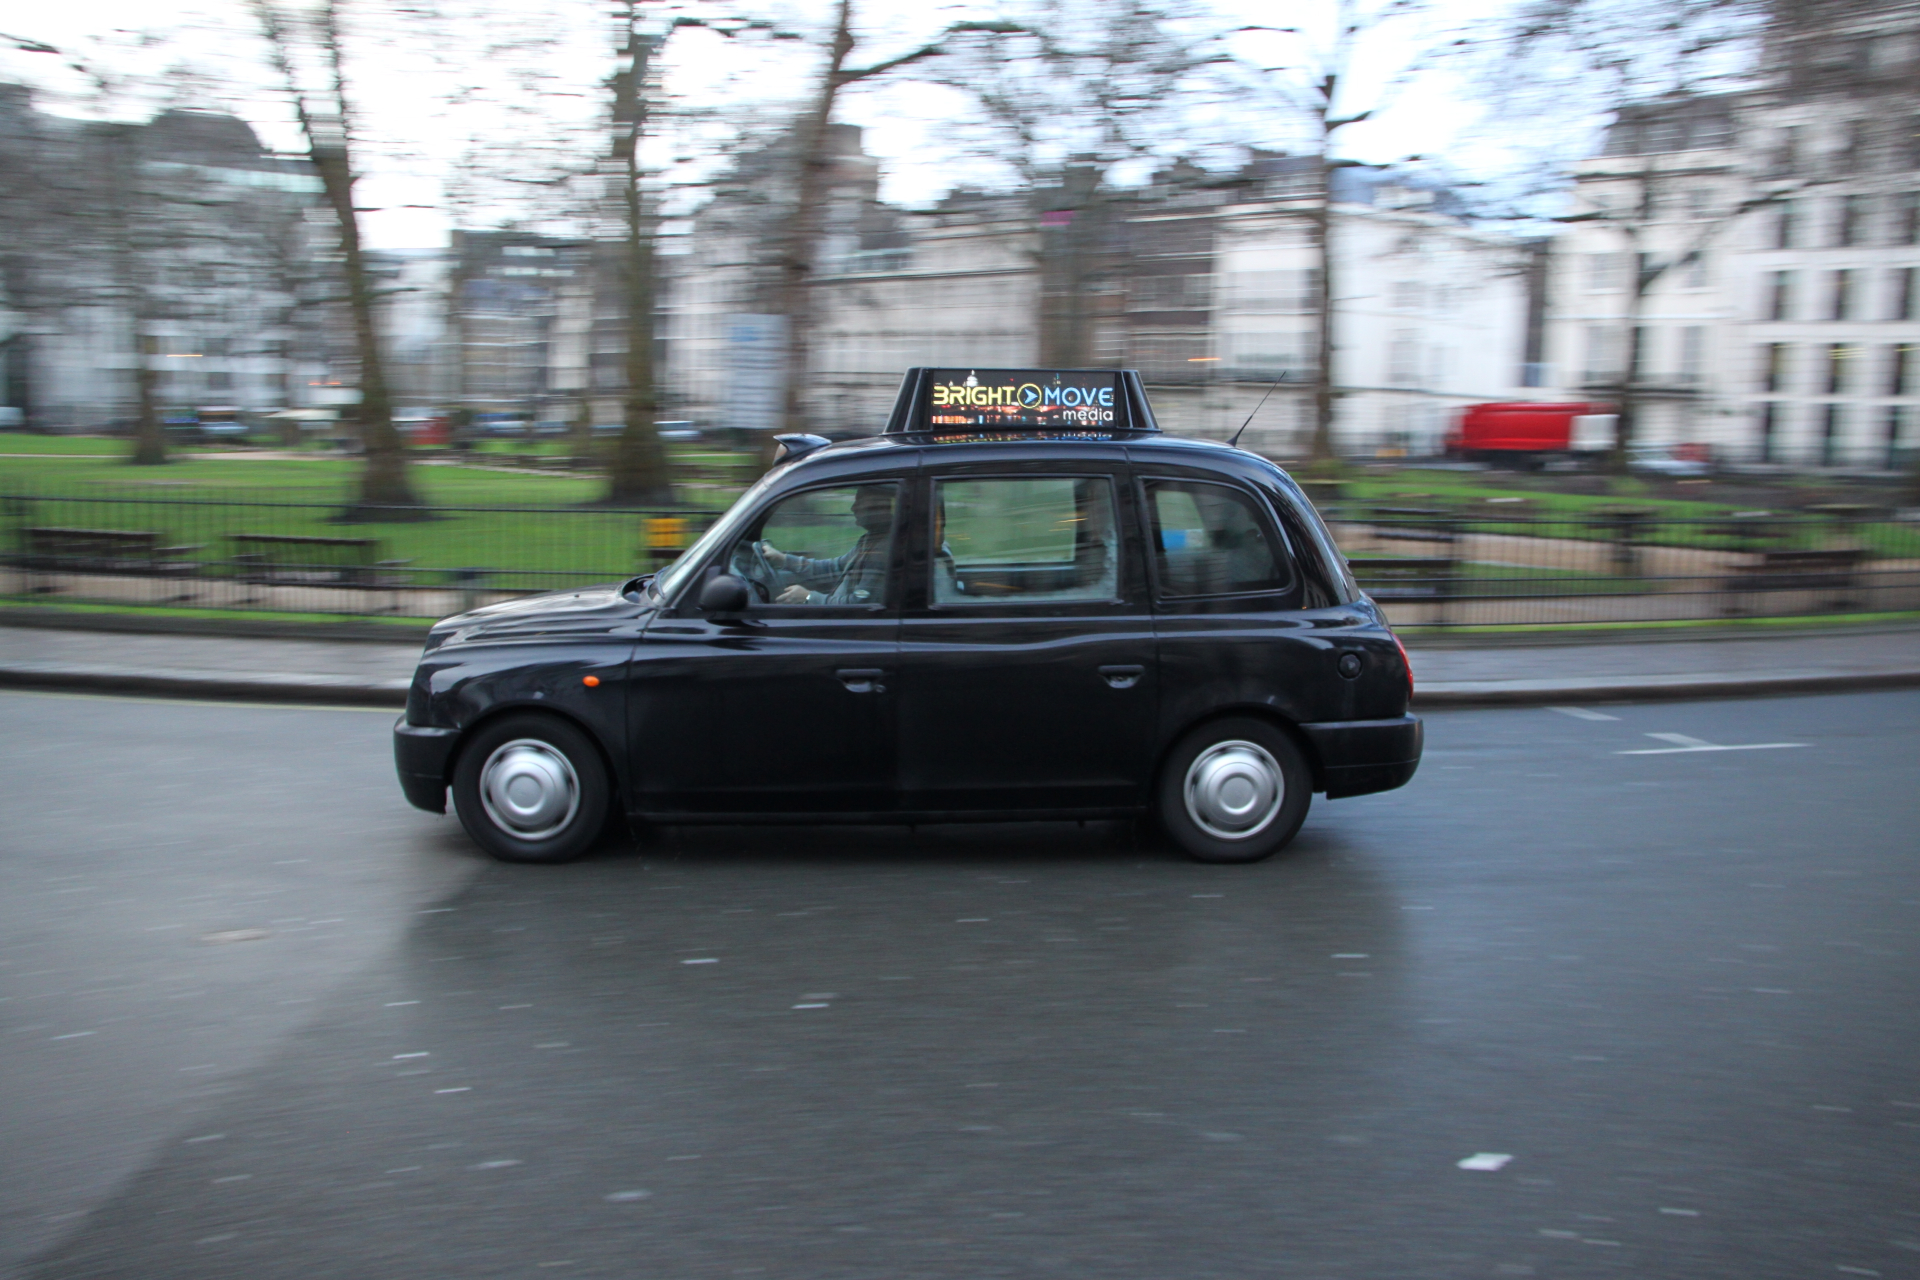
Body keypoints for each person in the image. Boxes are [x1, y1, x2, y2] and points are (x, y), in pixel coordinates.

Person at [756, 486, 894, 605]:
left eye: (859, 501)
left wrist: (808, 597)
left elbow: (860, 604)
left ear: (878, 505)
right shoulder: (871, 539)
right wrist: (783, 559)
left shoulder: (882, 550)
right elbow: (833, 568)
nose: (853, 508)